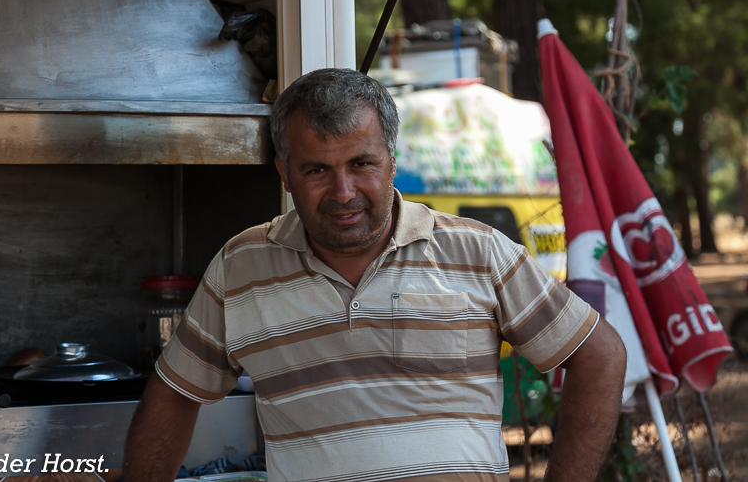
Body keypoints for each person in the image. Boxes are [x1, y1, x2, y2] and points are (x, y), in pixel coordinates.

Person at [123, 68, 627, 482]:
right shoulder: (241, 268)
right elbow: (174, 392)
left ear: (391, 159)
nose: (343, 192)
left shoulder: (477, 251)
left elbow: (599, 356)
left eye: (362, 163)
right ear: (283, 173)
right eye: (316, 170)